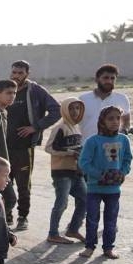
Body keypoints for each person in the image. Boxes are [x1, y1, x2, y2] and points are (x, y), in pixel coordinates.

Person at [4, 60, 61, 231]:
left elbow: (56, 110)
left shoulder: (35, 91)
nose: (16, 76)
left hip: (24, 146)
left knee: (23, 183)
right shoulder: (5, 89)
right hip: (4, 145)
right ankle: (6, 215)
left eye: (20, 73)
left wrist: (35, 127)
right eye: (14, 72)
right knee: (4, 181)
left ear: (27, 74)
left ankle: (23, 216)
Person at [78, 105, 132, 259]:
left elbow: (128, 159)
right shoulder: (93, 141)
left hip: (114, 190)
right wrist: (101, 175)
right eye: (110, 118)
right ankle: (89, 246)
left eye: (118, 118)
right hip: (95, 188)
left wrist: (122, 173)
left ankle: (108, 248)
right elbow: (84, 163)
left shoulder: (124, 139)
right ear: (102, 121)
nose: (115, 121)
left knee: (111, 220)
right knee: (92, 218)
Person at [43, 97, 87, 244]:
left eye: (77, 108)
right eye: (71, 108)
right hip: (62, 172)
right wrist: (69, 152)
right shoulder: (60, 128)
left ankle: (73, 229)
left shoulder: (76, 127)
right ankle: (53, 233)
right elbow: (49, 148)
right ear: (65, 110)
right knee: (62, 203)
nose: (75, 111)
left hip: (76, 172)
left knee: (85, 200)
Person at [78, 64, 131, 141]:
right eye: (105, 78)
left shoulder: (122, 99)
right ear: (96, 79)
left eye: (112, 78)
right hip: (87, 146)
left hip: (113, 147)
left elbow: (126, 121)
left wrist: (122, 133)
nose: (109, 81)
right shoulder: (83, 99)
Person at [0, 79, 18, 220]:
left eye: (14, 93)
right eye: (8, 93)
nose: (12, 96)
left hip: (1, 162)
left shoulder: (4, 112)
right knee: (9, 198)